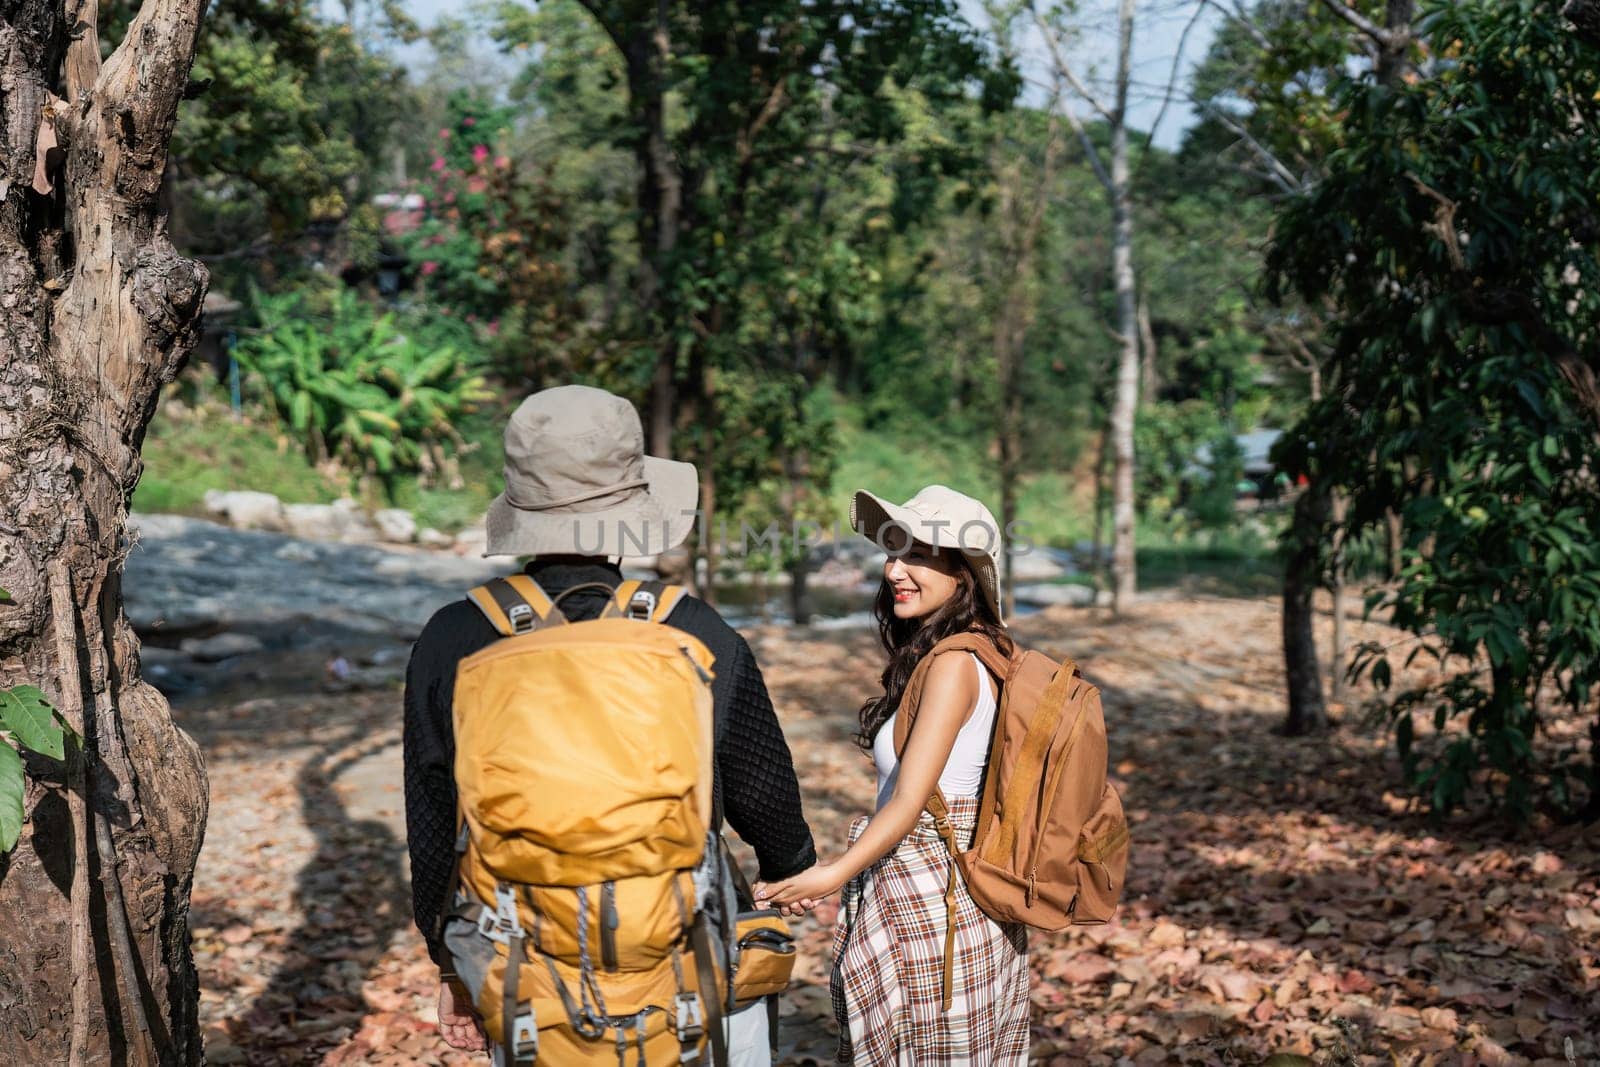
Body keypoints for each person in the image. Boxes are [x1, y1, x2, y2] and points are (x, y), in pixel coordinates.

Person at [403, 384, 816, 1063]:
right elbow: (763, 793)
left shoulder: (454, 637)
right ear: (632, 509)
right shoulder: (695, 627)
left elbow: (434, 817)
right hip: (679, 948)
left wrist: (450, 962)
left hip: (524, 958)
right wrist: (791, 866)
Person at [753, 485, 1031, 1065]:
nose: (895, 570)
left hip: (936, 906)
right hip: (946, 896)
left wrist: (827, 877)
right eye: (894, 552)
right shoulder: (970, 652)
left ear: (964, 574)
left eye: (920, 556)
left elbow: (909, 803)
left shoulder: (955, 664)